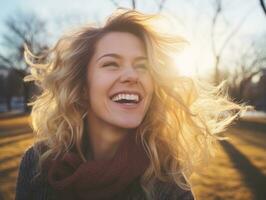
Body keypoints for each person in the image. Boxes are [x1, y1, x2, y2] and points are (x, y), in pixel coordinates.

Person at [15, 9, 243, 200]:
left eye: (142, 65)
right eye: (111, 64)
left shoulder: (167, 181)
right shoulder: (37, 164)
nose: (131, 75)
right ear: (83, 88)